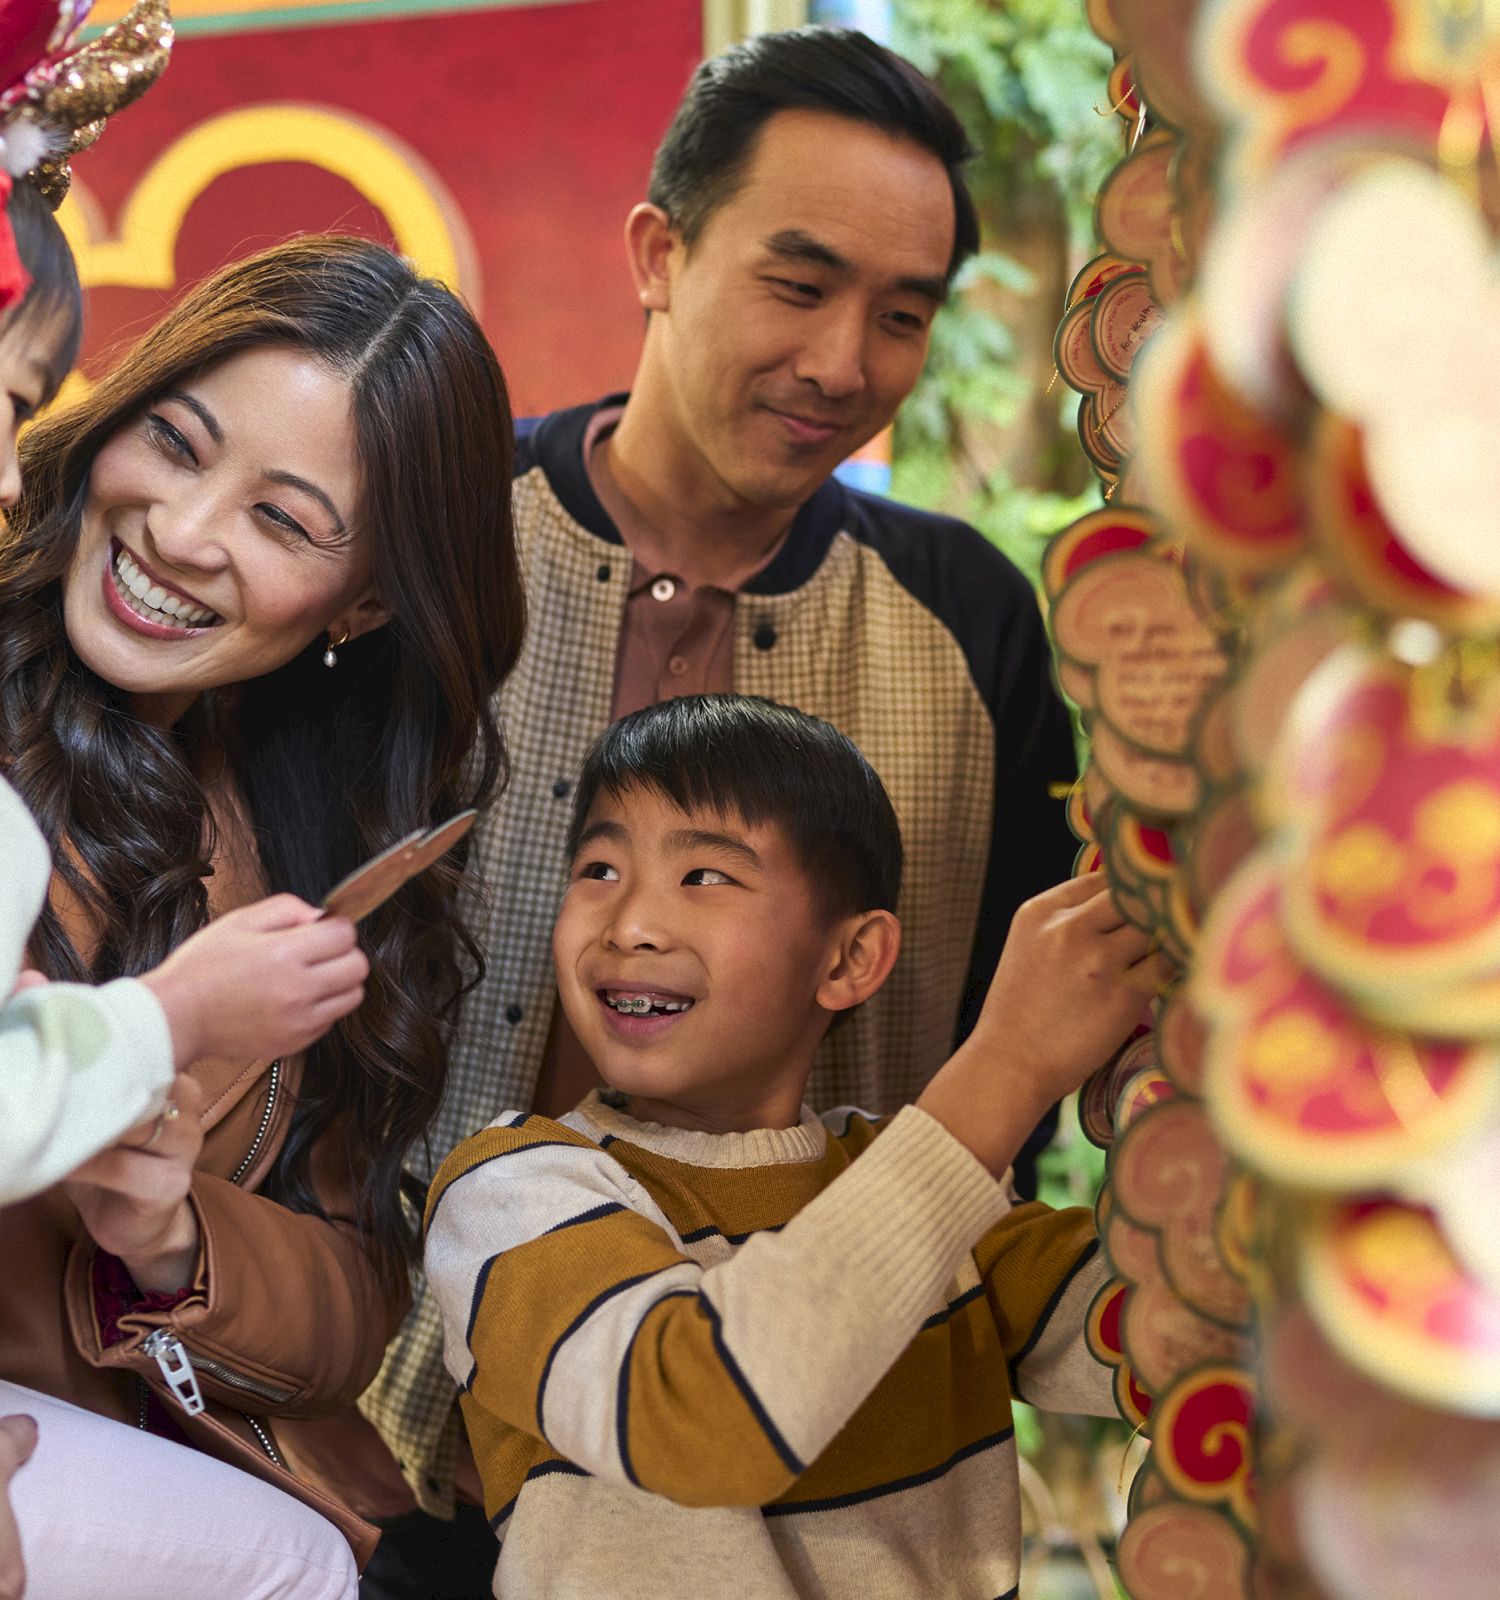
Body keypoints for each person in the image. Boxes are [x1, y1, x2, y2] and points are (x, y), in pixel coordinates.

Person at [365, 27, 1079, 1556]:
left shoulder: (966, 623)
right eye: (799, 283)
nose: (844, 365)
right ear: (660, 253)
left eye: (903, 317)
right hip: (386, 1436)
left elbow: (1044, 1033)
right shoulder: (427, 539)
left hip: (836, 1484)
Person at [0, 225, 524, 1593]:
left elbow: (356, 1303)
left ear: (361, 603)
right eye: (173, 445)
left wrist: (167, 1238)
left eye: (283, 520)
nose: (182, 534)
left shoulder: (313, 838)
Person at [426, 695, 1150, 1599]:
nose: (629, 924)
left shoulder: (925, 1199)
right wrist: (1007, 1066)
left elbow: (1176, 1331)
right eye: (600, 868)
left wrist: (1177, 1084)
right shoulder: (513, 1191)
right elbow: (696, 1418)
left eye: (703, 877)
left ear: (848, 960)